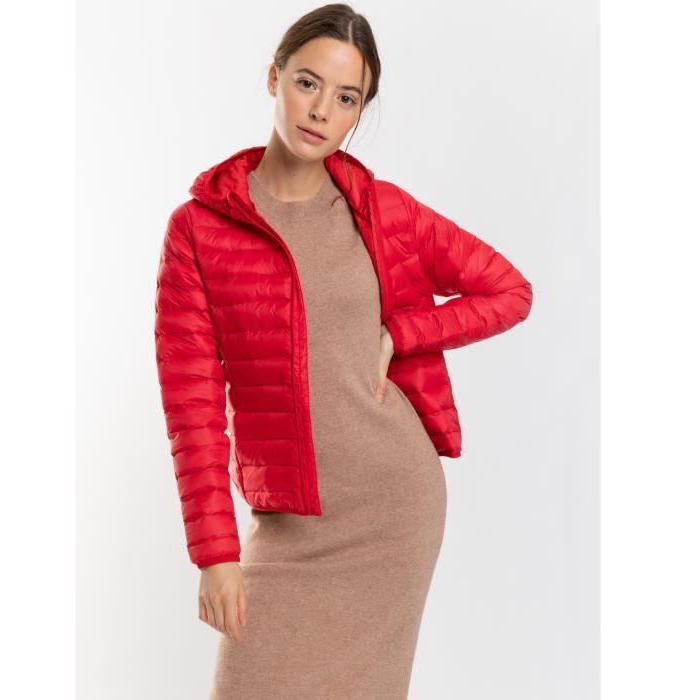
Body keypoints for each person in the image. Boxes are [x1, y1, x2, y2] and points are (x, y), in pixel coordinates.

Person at [154, 4, 533, 698]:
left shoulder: (383, 211)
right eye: (308, 83)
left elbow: (509, 291)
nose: (322, 110)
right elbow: (191, 405)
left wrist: (405, 334)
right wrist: (216, 554)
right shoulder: (199, 230)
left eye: (347, 97)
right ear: (274, 78)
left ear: (360, 110)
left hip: (393, 505)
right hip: (288, 523)